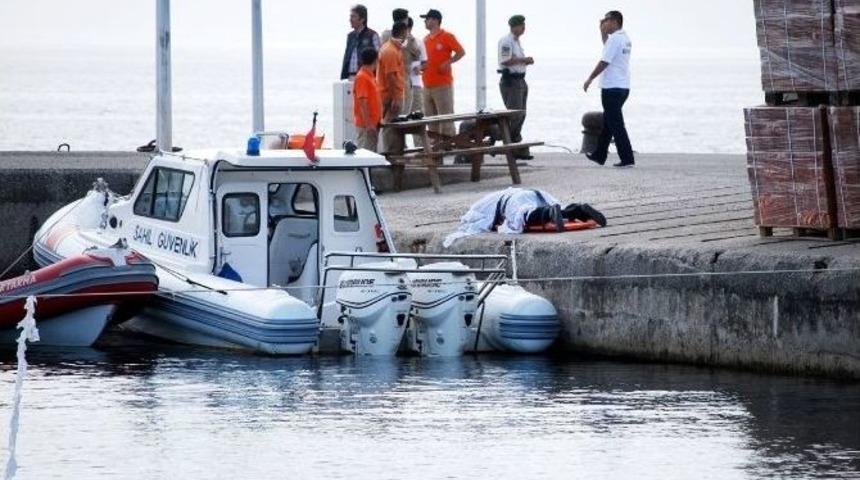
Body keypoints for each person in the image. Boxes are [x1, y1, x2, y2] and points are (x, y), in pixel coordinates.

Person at [443, 188, 607, 247]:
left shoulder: (479, 208)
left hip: (512, 200)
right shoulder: (492, 198)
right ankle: (578, 210)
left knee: (524, 216)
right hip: (534, 192)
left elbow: (476, 223)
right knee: (561, 209)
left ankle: (548, 213)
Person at [583, 10, 634, 168]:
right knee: (608, 122)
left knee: (616, 124)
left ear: (614, 21)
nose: (603, 23)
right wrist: (602, 33)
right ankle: (600, 155)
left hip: (612, 88)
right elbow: (608, 49)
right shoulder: (624, 38)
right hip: (623, 87)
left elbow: (605, 61)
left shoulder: (616, 39)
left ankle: (627, 158)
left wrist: (590, 78)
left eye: (606, 21)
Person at [420, 9, 465, 139]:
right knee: (430, 120)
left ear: (435, 20)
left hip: (442, 85)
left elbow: (461, 52)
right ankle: (435, 146)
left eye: (427, 19)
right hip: (426, 85)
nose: (425, 22)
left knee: (446, 119)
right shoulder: (425, 39)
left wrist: (448, 62)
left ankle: (449, 145)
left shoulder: (447, 36)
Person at [498, 15, 535, 160]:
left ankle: (514, 143)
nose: (524, 28)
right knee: (515, 115)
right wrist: (524, 60)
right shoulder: (507, 41)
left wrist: (525, 62)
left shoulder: (517, 41)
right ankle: (506, 141)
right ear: (514, 26)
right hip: (511, 81)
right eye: (521, 25)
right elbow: (505, 60)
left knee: (521, 114)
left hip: (520, 80)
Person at [377, 22, 408, 153]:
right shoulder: (390, 51)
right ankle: (391, 154)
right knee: (391, 126)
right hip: (390, 96)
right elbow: (390, 76)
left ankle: (395, 152)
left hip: (392, 94)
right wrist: (395, 98)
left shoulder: (393, 48)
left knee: (394, 126)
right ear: (403, 32)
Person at [353, 48, 383, 152]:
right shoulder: (362, 77)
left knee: (372, 151)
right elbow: (362, 102)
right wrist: (368, 123)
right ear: (375, 60)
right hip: (366, 125)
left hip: (374, 123)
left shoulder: (370, 76)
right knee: (365, 152)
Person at [340, 5, 380, 80]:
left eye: (353, 16)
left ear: (362, 19)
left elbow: (378, 58)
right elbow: (346, 58)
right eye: (350, 17)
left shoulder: (372, 35)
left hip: (366, 76)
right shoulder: (350, 36)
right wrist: (343, 77)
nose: (350, 19)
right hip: (350, 77)